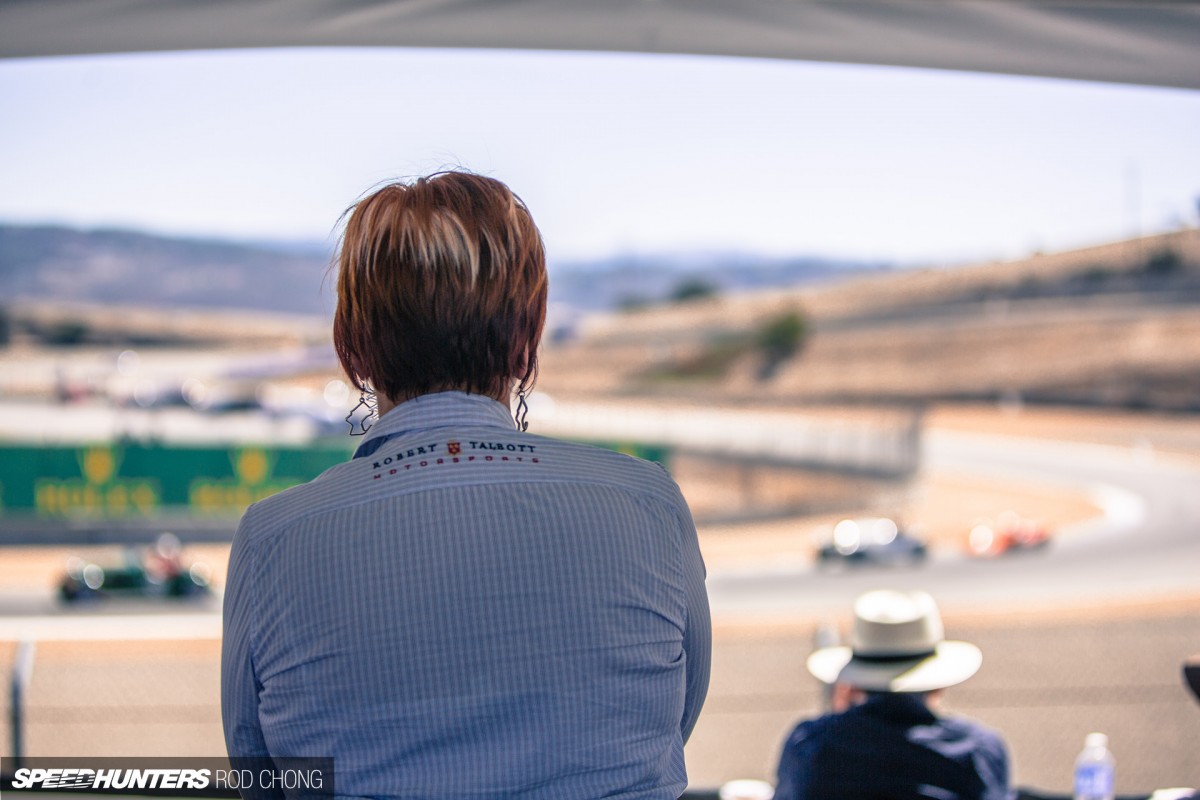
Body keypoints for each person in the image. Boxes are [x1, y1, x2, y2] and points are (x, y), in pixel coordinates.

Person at [221, 171, 710, 799]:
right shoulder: (649, 504)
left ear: (351, 348)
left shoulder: (272, 541)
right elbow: (672, 722)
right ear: (528, 342)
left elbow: (260, 776)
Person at [772, 589, 1012, 800]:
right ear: (940, 683)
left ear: (854, 684)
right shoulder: (978, 750)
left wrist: (837, 722)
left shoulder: (809, 743)